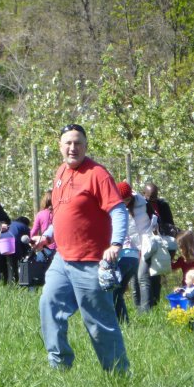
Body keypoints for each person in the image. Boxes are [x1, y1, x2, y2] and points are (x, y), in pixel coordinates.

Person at [31, 124, 130, 373]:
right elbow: (61, 214)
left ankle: (118, 374)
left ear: (85, 146)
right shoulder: (60, 172)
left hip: (91, 261)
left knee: (98, 323)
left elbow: (118, 210)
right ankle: (59, 365)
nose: (72, 148)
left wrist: (116, 244)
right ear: (60, 146)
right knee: (48, 305)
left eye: (78, 143)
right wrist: (46, 237)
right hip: (61, 259)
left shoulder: (97, 174)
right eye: (68, 143)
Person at [142, 181, 177, 307]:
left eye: (155, 196)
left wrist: (163, 228)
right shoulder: (141, 205)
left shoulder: (163, 205)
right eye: (150, 197)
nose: (153, 199)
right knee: (143, 276)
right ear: (144, 194)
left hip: (159, 242)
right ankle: (144, 306)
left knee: (156, 274)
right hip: (145, 242)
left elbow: (170, 223)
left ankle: (155, 304)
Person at [112, 183, 142, 323]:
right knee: (119, 292)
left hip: (123, 256)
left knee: (114, 291)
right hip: (134, 258)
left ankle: (121, 321)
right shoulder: (134, 210)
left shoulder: (117, 212)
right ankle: (123, 322)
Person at [0, 215, 31, 285]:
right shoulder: (24, 227)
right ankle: (20, 284)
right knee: (17, 265)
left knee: (2, 268)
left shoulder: (9, 223)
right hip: (12, 246)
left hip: (0, 246)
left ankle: (2, 285)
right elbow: (26, 241)